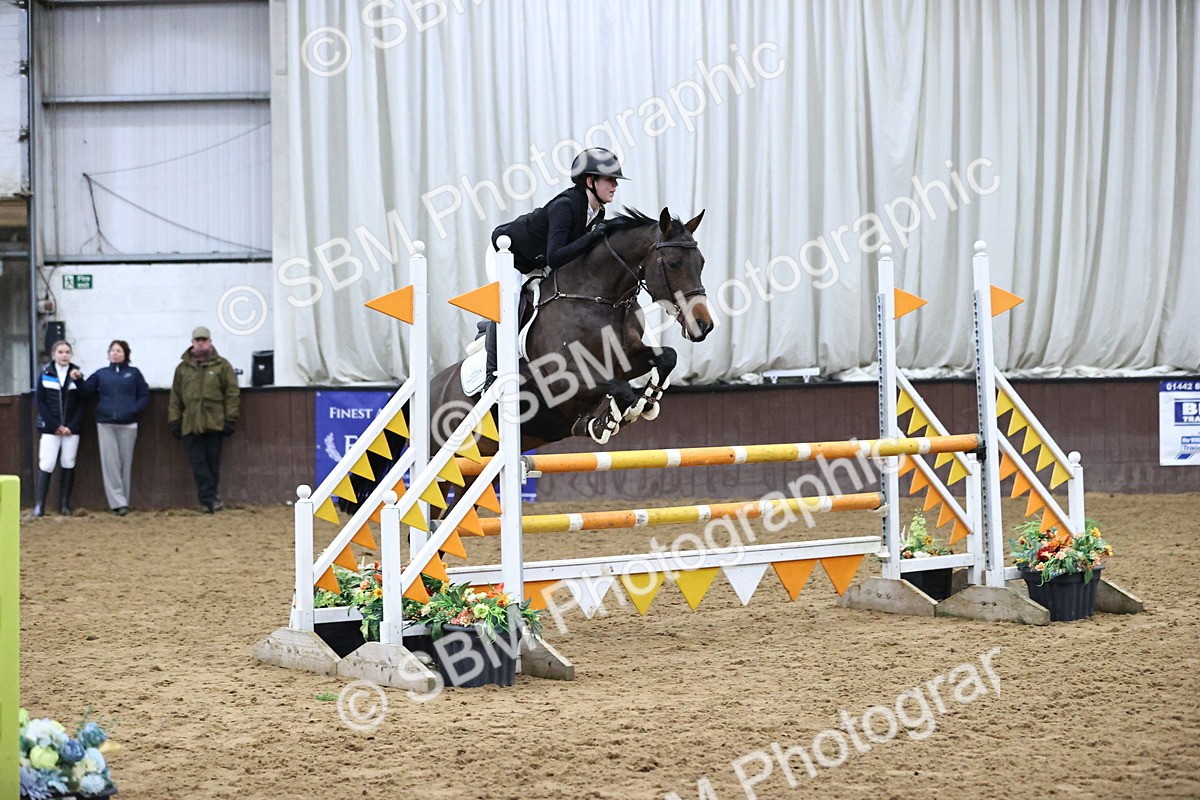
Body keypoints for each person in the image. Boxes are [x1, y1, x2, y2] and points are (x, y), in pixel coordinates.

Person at [481, 147, 627, 387]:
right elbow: (557, 256)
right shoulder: (566, 206)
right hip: (507, 254)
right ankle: (492, 374)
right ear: (590, 181)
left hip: (538, 262)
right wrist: (592, 238)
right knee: (509, 300)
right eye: (610, 179)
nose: (615, 185)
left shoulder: (598, 212)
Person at [168, 326, 240, 513]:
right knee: (198, 464)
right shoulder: (182, 369)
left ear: (210, 341)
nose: (201, 343)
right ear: (192, 342)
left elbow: (232, 392)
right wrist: (174, 420)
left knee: (212, 463)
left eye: (204, 340)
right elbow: (175, 396)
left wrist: (230, 418)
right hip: (191, 423)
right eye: (197, 340)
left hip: (215, 422)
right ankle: (209, 498)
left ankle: (209, 500)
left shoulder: (222, 366)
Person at [81, 340, 150, 516]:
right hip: (106, 424)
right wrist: (78, 379)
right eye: (112, 350)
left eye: (118, 350)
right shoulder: (101, 374)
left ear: (125, 353)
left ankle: (123, 501)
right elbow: (86, 391)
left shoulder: (134, 374)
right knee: (110, 464)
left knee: (125, 464)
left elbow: (144, 394)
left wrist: (134, 410)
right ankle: (117, 503)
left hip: (129, 424)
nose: (115, 353)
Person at [33, 340, 85, 517]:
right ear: (54, 354)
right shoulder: (45, 373)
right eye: (60, 352)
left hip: (71, 429)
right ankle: (40, 505)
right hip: (50, 428)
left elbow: (82, 401)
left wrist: (71, 426)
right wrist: (54, 425)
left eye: (67, 352)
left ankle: (64, 504)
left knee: (68, 463)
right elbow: (40, 401)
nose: (64, 355)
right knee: (46, 464)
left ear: (71, 355)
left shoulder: (76, 374)